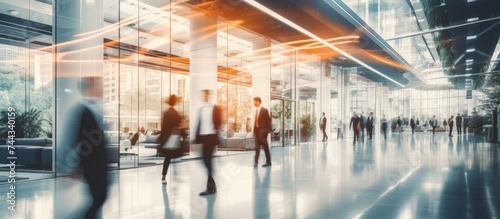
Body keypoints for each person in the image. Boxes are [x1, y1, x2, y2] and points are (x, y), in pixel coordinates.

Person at [75, 77, 109, 219]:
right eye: (98, 85)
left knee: (100, 197)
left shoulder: (97, 108)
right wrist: (78, 165)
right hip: (92, 164)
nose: (102, 88)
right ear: (89, 88)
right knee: (99, 198)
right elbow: (79, 139)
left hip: (100, 164)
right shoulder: (84, 111)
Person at [194, 90, 222, 196]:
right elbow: (199, 125)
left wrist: (216, 141)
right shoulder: (201, 109)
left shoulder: (215, 108)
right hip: (203, 138)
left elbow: (219, 123)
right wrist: (196, 142)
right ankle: (212, 184)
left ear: (208, 95)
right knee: (204, 161)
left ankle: (210, 187)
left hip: (211, 137)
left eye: (204, 95)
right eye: (201, 95)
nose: (202, 96)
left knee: (208, 161)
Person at [156, 95, 187, 185]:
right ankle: (176, 175)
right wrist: (184, 135)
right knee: (175, 156)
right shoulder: (176, 113)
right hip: (174, 138)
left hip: (167, 139)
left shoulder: (166, 113)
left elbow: (163, 127)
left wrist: (161, 139)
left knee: (168, 158)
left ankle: (163, 176)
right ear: (175, 102)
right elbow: (179, 126)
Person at [253, 96, 272, 168]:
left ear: (258, 101)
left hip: (263, 133)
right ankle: (256, 162)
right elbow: (256, 122)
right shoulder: (256, 111)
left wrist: (267, 131)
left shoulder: (265, 110)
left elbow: (268, 121)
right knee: (257, 148)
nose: (253, 103)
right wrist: (254, 132)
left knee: (265, 148)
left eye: (254, 101)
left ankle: (268, 162)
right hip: (257, 132)